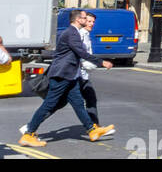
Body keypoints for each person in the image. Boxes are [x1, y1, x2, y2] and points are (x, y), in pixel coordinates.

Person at [19, 10, 115, 147]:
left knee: (78, 104)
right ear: (78, 20)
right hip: (61, 75)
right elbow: (81, 52)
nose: (86, 20)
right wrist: (101, 62)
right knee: (49, 104)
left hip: (70, 76)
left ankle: (92, 130)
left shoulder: (73, 33)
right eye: (84, 18)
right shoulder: (71, 33)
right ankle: (29, 134)